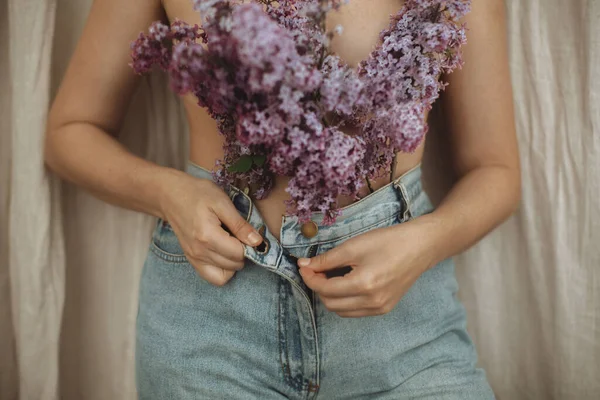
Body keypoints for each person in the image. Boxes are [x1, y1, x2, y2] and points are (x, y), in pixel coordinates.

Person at [44, 0, 520, 398]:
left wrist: (423, 244)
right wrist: (172, 194)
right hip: (213, 322)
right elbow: (70, 133)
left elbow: (495, 171)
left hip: (403, 328)